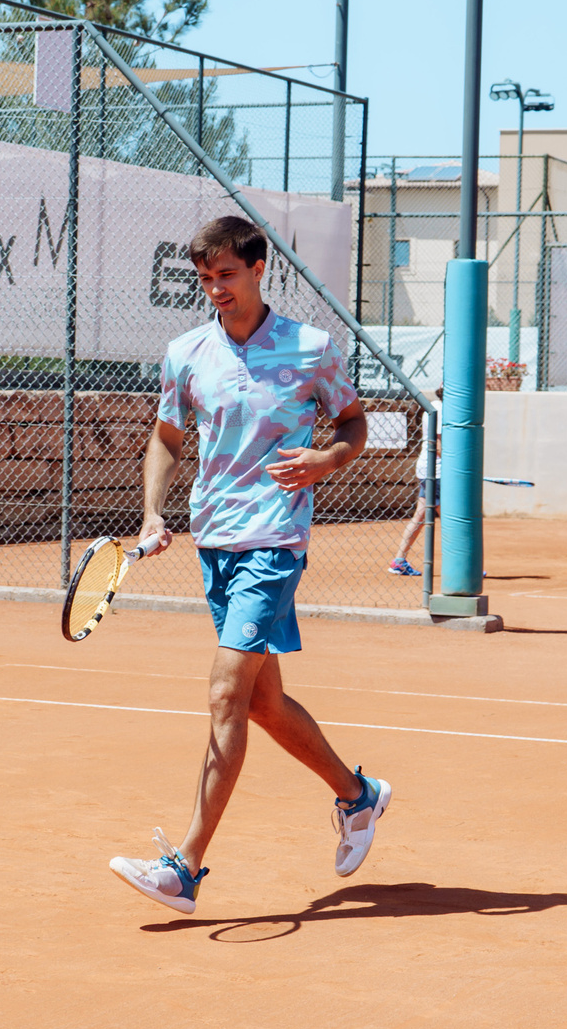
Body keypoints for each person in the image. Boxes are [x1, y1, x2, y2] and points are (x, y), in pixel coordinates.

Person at [107, 216, 390, 916]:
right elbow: (168, 438)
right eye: (206, 280)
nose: (217, 290)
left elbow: (354, 423)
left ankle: (186, 866)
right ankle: (359, 796)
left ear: (260, 268)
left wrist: (328, 457)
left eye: (227, 276)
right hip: (216, 542)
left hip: (275, 540)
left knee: (226, 693)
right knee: (263, 703)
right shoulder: (187, 353)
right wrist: (152, 511)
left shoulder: (310, 349)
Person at [387, 385, 444, 577]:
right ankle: (464, 566)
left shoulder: (434, 406)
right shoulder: (442, 409)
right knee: (452, 519)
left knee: (420, 515)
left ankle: (399, 561)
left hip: (430, 470)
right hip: (437, 472)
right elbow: (438, 445)